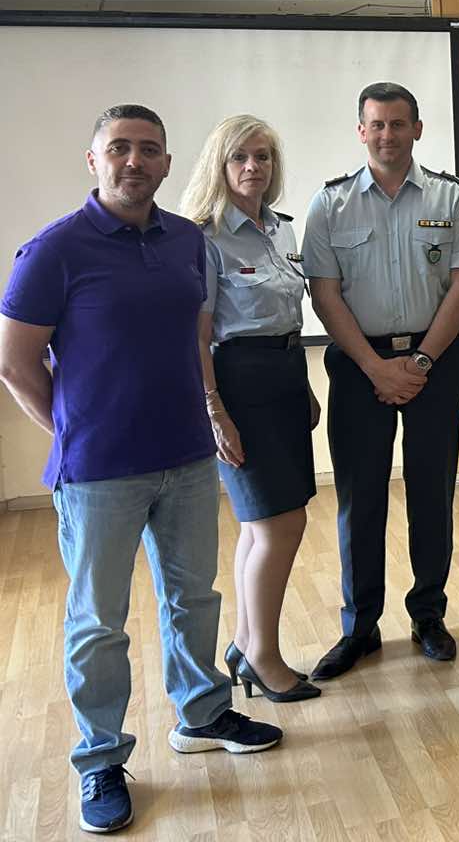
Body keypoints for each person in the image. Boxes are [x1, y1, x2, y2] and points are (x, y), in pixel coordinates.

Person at [0, 105, 282, 836]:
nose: (134, 161)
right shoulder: (54, 251)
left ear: (166, 164)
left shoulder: (187, 240)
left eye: (149, 149)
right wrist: (74, 431)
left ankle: (203, 713)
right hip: (99, 474)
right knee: (99, 622)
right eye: (119, 148)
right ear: (93, 159)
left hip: (185, 458)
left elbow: (196, 337)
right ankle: (100, 758)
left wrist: (209, 414)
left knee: (193, 598)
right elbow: (16, 363)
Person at [301, 82, 459, 678]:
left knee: (432, 492)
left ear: (417, 129)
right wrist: (374, 366)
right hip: (360, 365)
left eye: (398, 124)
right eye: (376, 124)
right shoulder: (329, 204)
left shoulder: (452, 197)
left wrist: (422, 362)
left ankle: (428, 615)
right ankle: (360, 627)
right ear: (361, 131)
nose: (387, 135)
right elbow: (324, 294)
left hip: (435, 359)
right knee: (360, 499)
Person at [180, 114, 320, 702]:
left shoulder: (281, 230)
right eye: (239, 157)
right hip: (238, 385)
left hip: (284, 376)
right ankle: (263, 656)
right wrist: (214, 410)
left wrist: (303, 385)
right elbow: (197, 335)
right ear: (219, 165)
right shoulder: (204, 237)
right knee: (279, 524)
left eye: (262, 156)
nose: (252, 167)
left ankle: (244, 642)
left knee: (259, 526)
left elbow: (287, 317)